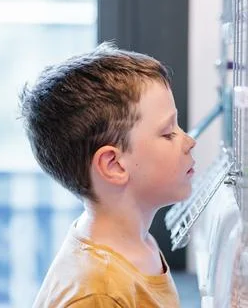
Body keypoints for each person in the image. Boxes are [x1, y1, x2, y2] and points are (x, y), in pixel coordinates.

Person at [19, 42, 196, 307]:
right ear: (114, 164)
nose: (189, 141)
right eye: (168, 132)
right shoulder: (97, 294)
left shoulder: (137, 243)